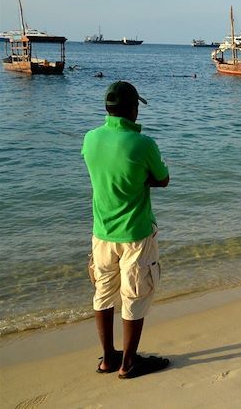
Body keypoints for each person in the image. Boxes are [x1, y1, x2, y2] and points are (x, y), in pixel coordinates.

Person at [81, 81, 170, 379]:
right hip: (136, 234)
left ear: (108, 108)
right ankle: (128, 362)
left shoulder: (90, 139)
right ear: (132, 110)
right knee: (134, 296)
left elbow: (100, 170)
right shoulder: (144, 144)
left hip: (101, 233)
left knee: (103, 295)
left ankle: (108, 358)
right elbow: (163, 178)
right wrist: (143, 179)